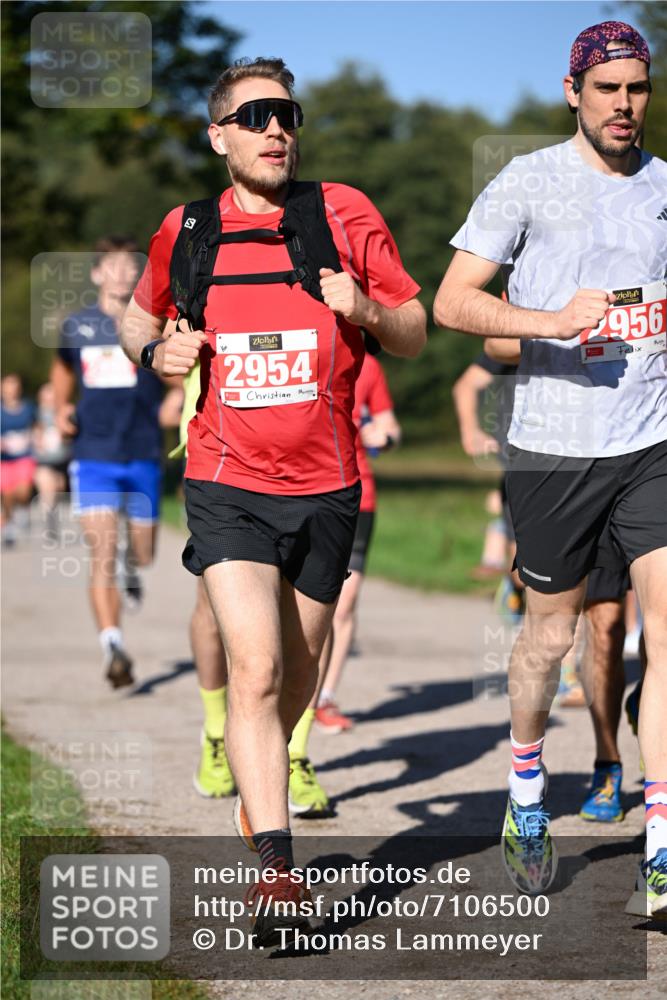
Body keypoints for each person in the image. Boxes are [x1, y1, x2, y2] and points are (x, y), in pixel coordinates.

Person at [120, 57, 426, 946]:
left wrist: (363, 305)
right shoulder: (187, 230)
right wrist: (156, 356)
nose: (275, 129)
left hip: (330, 486)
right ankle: (278, 872)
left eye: (286, 114)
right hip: (224, 482)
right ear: (218, 135)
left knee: (296, 672)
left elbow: (411, 331)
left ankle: (261, 768)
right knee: (253, 671)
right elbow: (142, 319)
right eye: (253, 115)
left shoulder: (342, 213)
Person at [434, 22, 666, 914]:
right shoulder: (527, 179)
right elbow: (451, 302)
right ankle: (526, 789)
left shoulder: (661, 188)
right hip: (551, 449)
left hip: (650, 443)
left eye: (636, 88)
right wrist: (549, 323)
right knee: (549, 638)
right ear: (572, 91)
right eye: (605, 88)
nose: (622, 103)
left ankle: (657, 838)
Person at [52, 237, 165, 689]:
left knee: (143, 552)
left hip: (142, 454)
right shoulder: (77, 326)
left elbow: (180, 370)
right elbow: (62, 371)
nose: (121, 274)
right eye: (112, 267)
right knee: (102, 549)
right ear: (98, 274)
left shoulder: (155, 324)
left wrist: (175, 399)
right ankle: (112, 644)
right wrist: (61, 407)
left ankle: (133, 567)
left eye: (129, 267)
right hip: (93, 455)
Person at [33, 381, 72, 541]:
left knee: (58, 489)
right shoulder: (35, 415)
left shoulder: (64, 413)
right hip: (44, 461)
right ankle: (50, 521)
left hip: (63, 460)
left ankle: (53, 517)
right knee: (47, 489)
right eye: (47, 392)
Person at [1, 373, 36, 547]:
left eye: (14, 385)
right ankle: (8, 525)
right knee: (7, 494)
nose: (11, 390)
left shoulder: (28, 408)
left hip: (24, 456)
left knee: (22, 490)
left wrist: (38, 438)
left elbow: (37, 427)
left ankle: (23, 508)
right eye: (8, 385)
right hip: (4, 460)